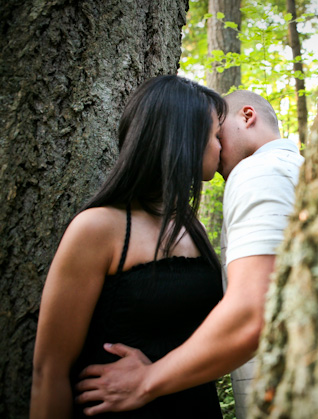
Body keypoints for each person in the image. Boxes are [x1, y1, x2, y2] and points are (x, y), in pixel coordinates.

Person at [74, 90, 304, 418]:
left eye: (215, 133)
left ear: (247, 117)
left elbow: (252, 313)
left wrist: (148, 379)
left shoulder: (259, 173)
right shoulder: (292, 169)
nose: (216, 147)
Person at [30, 75, 228, 418]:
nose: (221, 145)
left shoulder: (189, 226)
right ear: (186, 139)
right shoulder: (98, 228)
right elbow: (49, 372)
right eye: (215, 135)